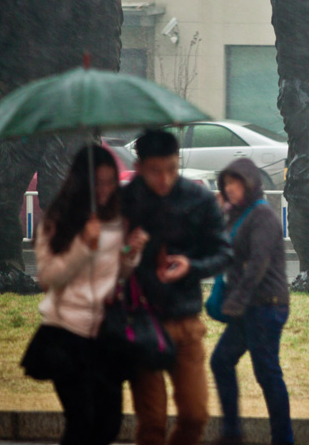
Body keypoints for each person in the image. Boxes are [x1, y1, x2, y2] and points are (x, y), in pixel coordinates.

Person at [21, 145, 148, 445]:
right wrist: (82, 246)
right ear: (82, 181)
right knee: (81, 424)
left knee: (109, 424)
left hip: (106, 333)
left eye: (110, 182)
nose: (104, 190)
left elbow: (117, 273)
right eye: (97, 183)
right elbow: (48, 279)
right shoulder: (58, 219)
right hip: (66, 333)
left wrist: (132, 252)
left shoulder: (116, 218)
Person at [123, 129, 231, 445]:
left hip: (185, 321)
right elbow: (107, 261)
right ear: (140, 166)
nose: (165, 179)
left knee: (195, 416)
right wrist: (129, 250)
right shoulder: (126, 202)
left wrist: (191, 267)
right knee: (152, 424)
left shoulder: (197, 199)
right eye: (156, 171)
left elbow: (224, 252)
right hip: (141, 324)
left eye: (172, 169)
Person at [210, 158, 293, 445]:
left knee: (267, 373)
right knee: (221, 361)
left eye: (236, 183)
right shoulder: (237, 215)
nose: (231, 189)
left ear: (250, 184)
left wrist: (236, 301)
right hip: (249, 307)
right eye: (227, 184)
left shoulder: (263, 216)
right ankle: (231, 432)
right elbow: (224, 252)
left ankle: (283, 439)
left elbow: (258, 262)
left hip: (267, 305)